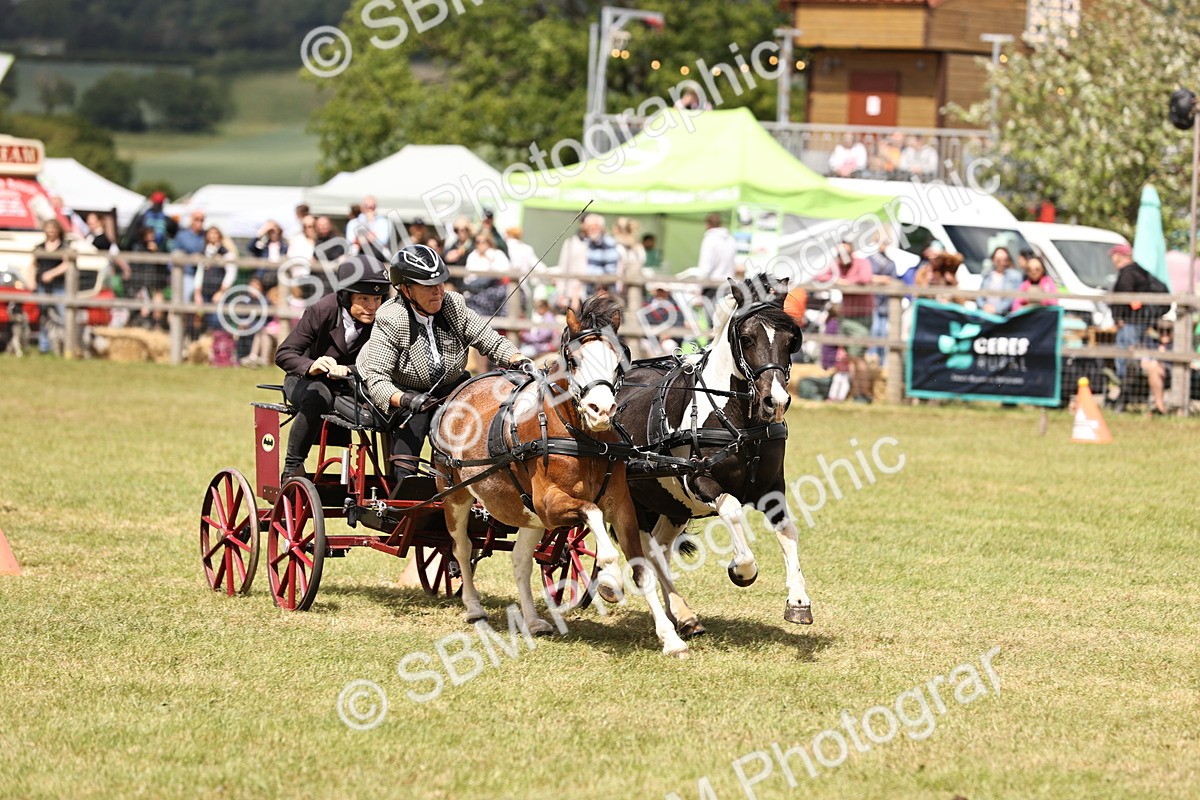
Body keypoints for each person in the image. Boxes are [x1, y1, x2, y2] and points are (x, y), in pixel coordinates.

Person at [357, 244, 535, 482]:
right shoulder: (391, 318)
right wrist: (407, 399)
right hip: (404, 391)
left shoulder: (454, 305)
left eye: (440, 283)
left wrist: (518, 359)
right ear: (406, 289)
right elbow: (378, 380)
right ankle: (404, 483)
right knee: (415, 422)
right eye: (428, 286)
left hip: (448, 385)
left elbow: (490, 341)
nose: (438, 291)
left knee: (481, 405)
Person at [275, 255, 392, 480]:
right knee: (319, 396)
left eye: (377, 299)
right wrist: (312, 365)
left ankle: (396, 478)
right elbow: (284, 353)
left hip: (353, 383)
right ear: (346, 297)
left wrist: (349, 370)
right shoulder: (322, 310)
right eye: (364, 299)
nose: (372, 307)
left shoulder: (385, 317)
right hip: (305, 381)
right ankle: (292, 467)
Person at [818, 241, 875, 402]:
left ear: (852, 253)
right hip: (846, 317)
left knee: (859, 356)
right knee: (850, 356)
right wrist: (838, 279)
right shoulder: (837, 265)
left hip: (861, 317)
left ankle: (864, 393)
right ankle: (856, 393)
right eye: (840, 254)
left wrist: (845, 281)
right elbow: (820, 276)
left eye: (846, 253)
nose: (843, 257)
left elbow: (865, 278)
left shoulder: (861, 263)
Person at [1109, 243, 1162, 391]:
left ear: (1119, 256)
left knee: (1126, 355)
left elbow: (1125, 297)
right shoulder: (1139, 271)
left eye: (1113, 256)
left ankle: (1126, 387)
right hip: (1139, 320)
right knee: (1134, 354)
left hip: (1130, 321)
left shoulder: (1128, 273)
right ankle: (1131, 386)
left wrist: (1119, 318)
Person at [29, 219, 68, 354]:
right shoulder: (40, 247)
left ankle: (65, 345)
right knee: (44, 317)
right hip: (43, 286)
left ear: (58, 230)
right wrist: (32, 281)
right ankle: (44, 347)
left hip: (58, 286)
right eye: (49, 228)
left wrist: (52, 273)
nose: (51, 231)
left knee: (62, 316)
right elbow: (32, 265)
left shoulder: (63, 247)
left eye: (53, 228)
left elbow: (67, 264)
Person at [697, 212, 736, 289]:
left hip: (712, 285)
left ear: (708, 225)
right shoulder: (731, 239)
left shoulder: (710, 239)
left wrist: (698, 286)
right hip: (728, 284)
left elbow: (706, 266)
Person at [979, 247, 1023, 315]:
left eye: (1005, 260)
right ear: (993, 259)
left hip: (1003, 315)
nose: (1001, 263)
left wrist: (996, 309)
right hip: (986, 314)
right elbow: (980, 295)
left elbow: (1013, 298)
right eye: (998, 260)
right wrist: (984, 306)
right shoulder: (987, 274)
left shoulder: (1015, 276)